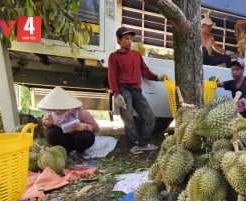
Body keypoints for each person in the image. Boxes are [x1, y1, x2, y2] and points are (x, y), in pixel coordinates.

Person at [108, 27, 168, 155]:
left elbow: (146, 72)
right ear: (119, 40)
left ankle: (144, 143)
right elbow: (112, 77)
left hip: (137, 90)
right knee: (128, 117)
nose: (129, 41)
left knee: (150, 117)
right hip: (124, 88)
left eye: (131, 39)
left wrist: (157, 77)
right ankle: (132, 144)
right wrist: (117, 94)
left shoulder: (136, 55)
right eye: (126, 39)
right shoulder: (114, 57)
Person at [38, 86, 100, 160]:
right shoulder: (51, 113)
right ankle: (67, 151)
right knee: (51, 132)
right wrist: (47, 124)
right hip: (64, 140)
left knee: (85, 136)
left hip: (78, 139)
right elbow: (47, 128)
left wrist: (85, 126)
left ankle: (80, 151)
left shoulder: (81, 112)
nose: (58, 112)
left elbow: (96, 128)